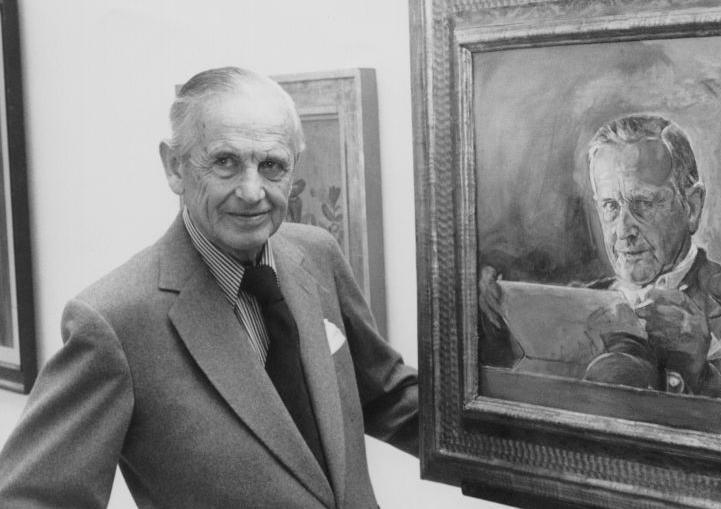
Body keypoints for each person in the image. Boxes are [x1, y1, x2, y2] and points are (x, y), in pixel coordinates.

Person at [0, 67, 418, 508]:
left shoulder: (317, 255)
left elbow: (387, 397)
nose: (252, 191)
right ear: (174, 167)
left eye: (272, 165)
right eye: (225, 162)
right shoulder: (113, 321)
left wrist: (494, 439)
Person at [480, 115, 721, 398]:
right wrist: (492, 318)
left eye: (644, 203)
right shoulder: (568, 308)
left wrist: (698, 373)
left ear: (692, 208)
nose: (623, 230)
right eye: (610, 206)